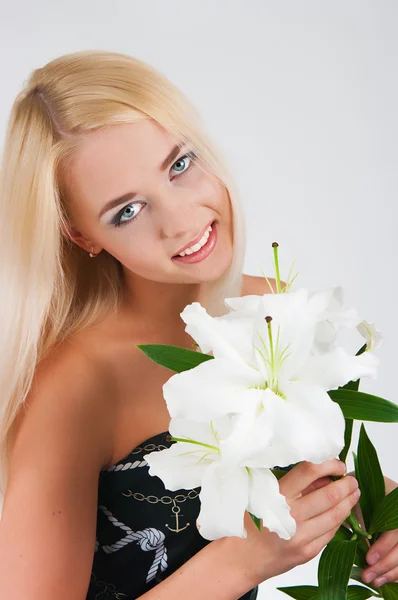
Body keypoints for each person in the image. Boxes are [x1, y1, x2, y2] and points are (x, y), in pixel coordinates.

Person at [0, 50, 361, 599]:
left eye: (180, 164)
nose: (182, 220)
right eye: (127, 210)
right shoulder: (75, 387)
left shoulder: (270, 310)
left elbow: (314, 471)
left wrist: (381, 517)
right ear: (82, 237)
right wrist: (241, 562)